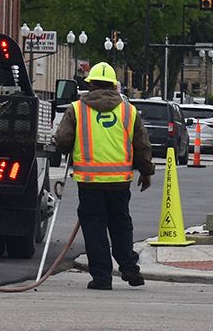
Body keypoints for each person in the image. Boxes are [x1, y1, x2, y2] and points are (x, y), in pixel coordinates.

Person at [53, 62, 154, 291]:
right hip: (119, 182)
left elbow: (63, 141)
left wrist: (63, 146)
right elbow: (142, 145)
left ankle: (101, 277)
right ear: (114, 86)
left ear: (91, 85)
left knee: (94, 229)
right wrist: (146, 172)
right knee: (121, 225)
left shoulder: (77, 109)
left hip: (89, 183)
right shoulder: (129, 111)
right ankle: (129, 267)